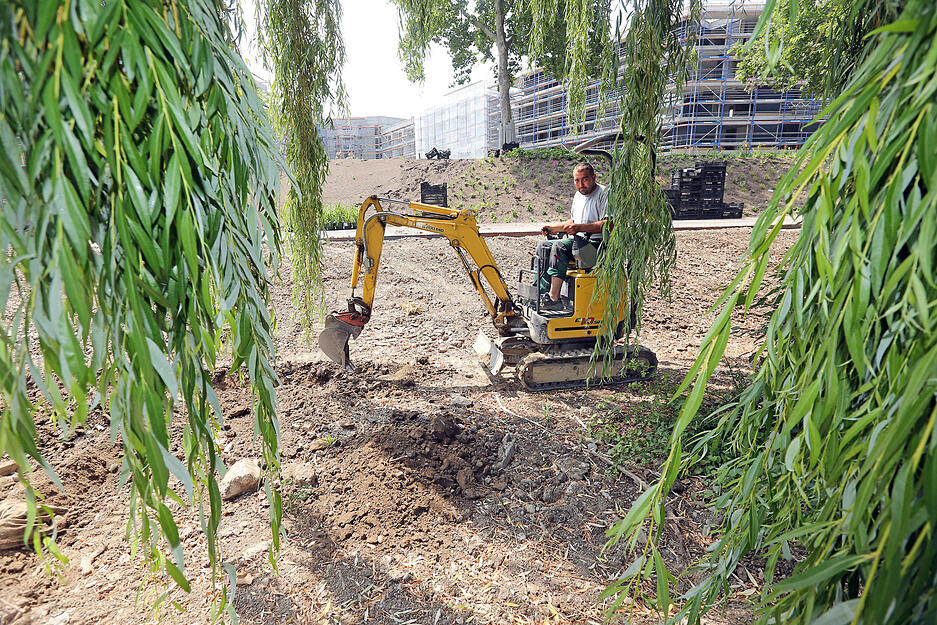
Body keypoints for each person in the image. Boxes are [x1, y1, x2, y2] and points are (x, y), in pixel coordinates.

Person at [537, 162, 610, 311]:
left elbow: (609, 224)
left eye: (585, 179)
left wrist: (579, 228)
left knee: (560, 246)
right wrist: (553, 229)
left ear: (594, 177)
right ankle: (540, 294)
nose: (581, 184)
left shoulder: (605, 193)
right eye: (577, 180)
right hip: (580, 243)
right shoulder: (578, 195)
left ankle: (554, 298)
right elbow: (573, 221)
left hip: (598, 247)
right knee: (543, 247)